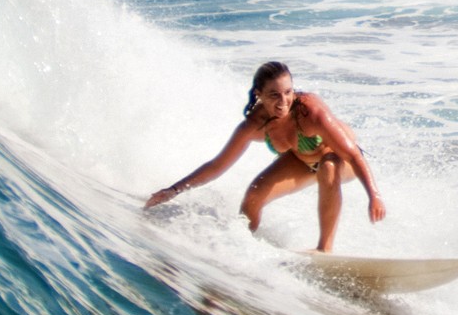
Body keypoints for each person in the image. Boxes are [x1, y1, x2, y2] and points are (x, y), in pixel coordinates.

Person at [144, 61, 386, 252]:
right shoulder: (254, 124)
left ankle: (325, 248)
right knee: (254, 194)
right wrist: (174, 190)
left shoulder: (309, 112)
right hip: (302, 161)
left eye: (288, 92)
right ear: (259, 94)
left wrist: (373, 196)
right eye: (274, 95)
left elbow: (353, 155)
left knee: (328, 168)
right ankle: (242, 244)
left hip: (340, 159)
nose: (284, 102)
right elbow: (217, 165)